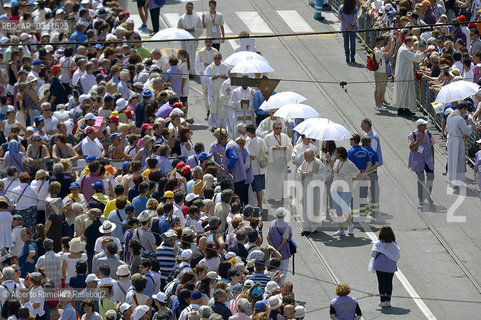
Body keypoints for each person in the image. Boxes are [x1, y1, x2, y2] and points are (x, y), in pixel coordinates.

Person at [328, 147, 359, 237]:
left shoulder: (349, 164)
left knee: (345, 209)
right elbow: (334, 171)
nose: (335, 154)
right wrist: (330, 160)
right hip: (335, 188)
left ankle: (350, 226)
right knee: (338, 210)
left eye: (336, 153)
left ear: (340, 154)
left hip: (346, 189)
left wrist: (354, 185)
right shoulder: (337, 162)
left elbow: (357, 173)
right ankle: (341, 229)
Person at [368, 226, 400, 308]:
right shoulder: (394, 243)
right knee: (389, 283)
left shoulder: (378, 243)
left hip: (380, 266)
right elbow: (397, 255)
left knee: (381, 283)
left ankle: (382, 301)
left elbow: (373, 254)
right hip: (391, 266)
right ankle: (388, 301)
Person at [393, 36, 425, 116]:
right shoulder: (404, 50)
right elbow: (415, 58)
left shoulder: (403, 48)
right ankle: (403, 109)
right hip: (404, 74)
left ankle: (404, 108)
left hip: (405, 73)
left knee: (405, 91)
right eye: (412, 43)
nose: (413, 45)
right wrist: (423, 52)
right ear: (408, 42)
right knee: (405, 91)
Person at [298, 149, 327, 235]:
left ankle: (313, 227)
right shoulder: (305, 162)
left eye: (306, 156)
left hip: (315, 189)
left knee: (314, 206)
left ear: (311, 156)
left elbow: (323, 177)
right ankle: (306, 227)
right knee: (306, 206)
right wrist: (301, 173)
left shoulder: (318, 164)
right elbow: (299, 171)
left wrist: (312, 175)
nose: (304, 158)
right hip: (306, 187)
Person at [408, 119, 435, 207]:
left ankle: (427, 194)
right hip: (418, 160)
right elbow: (412, 148)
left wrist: (433, 159)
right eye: (423, 124)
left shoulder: (429, 134)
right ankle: (421, 198)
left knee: (431, 176)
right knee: (421, 179)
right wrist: (419, 139)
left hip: (427, 159)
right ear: (418, 126)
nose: (425, 126)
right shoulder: (412, 135)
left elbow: (432, 147)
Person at [264, 120, 293, 202]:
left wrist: (286, 148)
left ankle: (282, 196)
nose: (279, 130)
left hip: (282, 161)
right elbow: (264, 150)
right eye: (277, 128)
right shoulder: (268, 137)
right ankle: (272, 196)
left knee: (282, 179)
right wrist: (271, 149)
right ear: (273, 128)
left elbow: (290, 146)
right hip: (273, 162)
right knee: (273, 179)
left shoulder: (284, 136)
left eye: (280, 128)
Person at [447, 102, 472, 187]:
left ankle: (451, 179)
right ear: (463, 109)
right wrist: (470, 126)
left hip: (451, 140)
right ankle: (457, 180)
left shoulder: (450, 116)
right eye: (465, 111)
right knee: (459, 160)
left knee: (451, 160)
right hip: (457, 140)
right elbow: (466, 131)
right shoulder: (459, 119)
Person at [204, 53, 229, 130]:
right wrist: (212, 78)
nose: (216, 60)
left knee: (222, 107)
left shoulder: (225, 67)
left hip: (222, 91)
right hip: (213, 92)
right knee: (214, 107)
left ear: (221, 58)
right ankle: (214, 125)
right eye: (215, 58)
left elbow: (229, 78)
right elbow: (205, 78)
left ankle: (222, 125)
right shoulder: (209, 68)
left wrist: (225, 77)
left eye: (218, 58)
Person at [267, 207, 292, 282]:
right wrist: (277, 250)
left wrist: (273, 249)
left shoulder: (272, 223)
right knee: (282, 273)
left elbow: (268, 237)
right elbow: (284, 241)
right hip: (284, 254)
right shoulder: (286, 226)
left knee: (273, 271)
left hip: (273, 254)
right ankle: (280, 289)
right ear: (284, 215)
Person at [177, 2, 203, 77]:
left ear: (193, 8)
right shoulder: (182, 18)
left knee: (192, 55)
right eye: (188, 7)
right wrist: (184, 30)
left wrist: (193, 29)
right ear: (186, 8)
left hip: (193, 39)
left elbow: (201, 29)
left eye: (190, 7)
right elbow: (178, 29)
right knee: (185, 55)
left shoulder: (197, 18)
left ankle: (192, 70)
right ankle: (186, 71)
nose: (189, 9)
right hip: (185, 40)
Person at [372, 36, 395, 111]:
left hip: (379, 72)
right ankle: (379, 106)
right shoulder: (378, 51)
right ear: (381, 42)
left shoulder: (376, 49)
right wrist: (392, 46)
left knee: (377, 89)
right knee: (380, 90)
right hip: (380, 73)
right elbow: (388, 54)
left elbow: (385, 50)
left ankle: (378, 105)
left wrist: (389, 43)